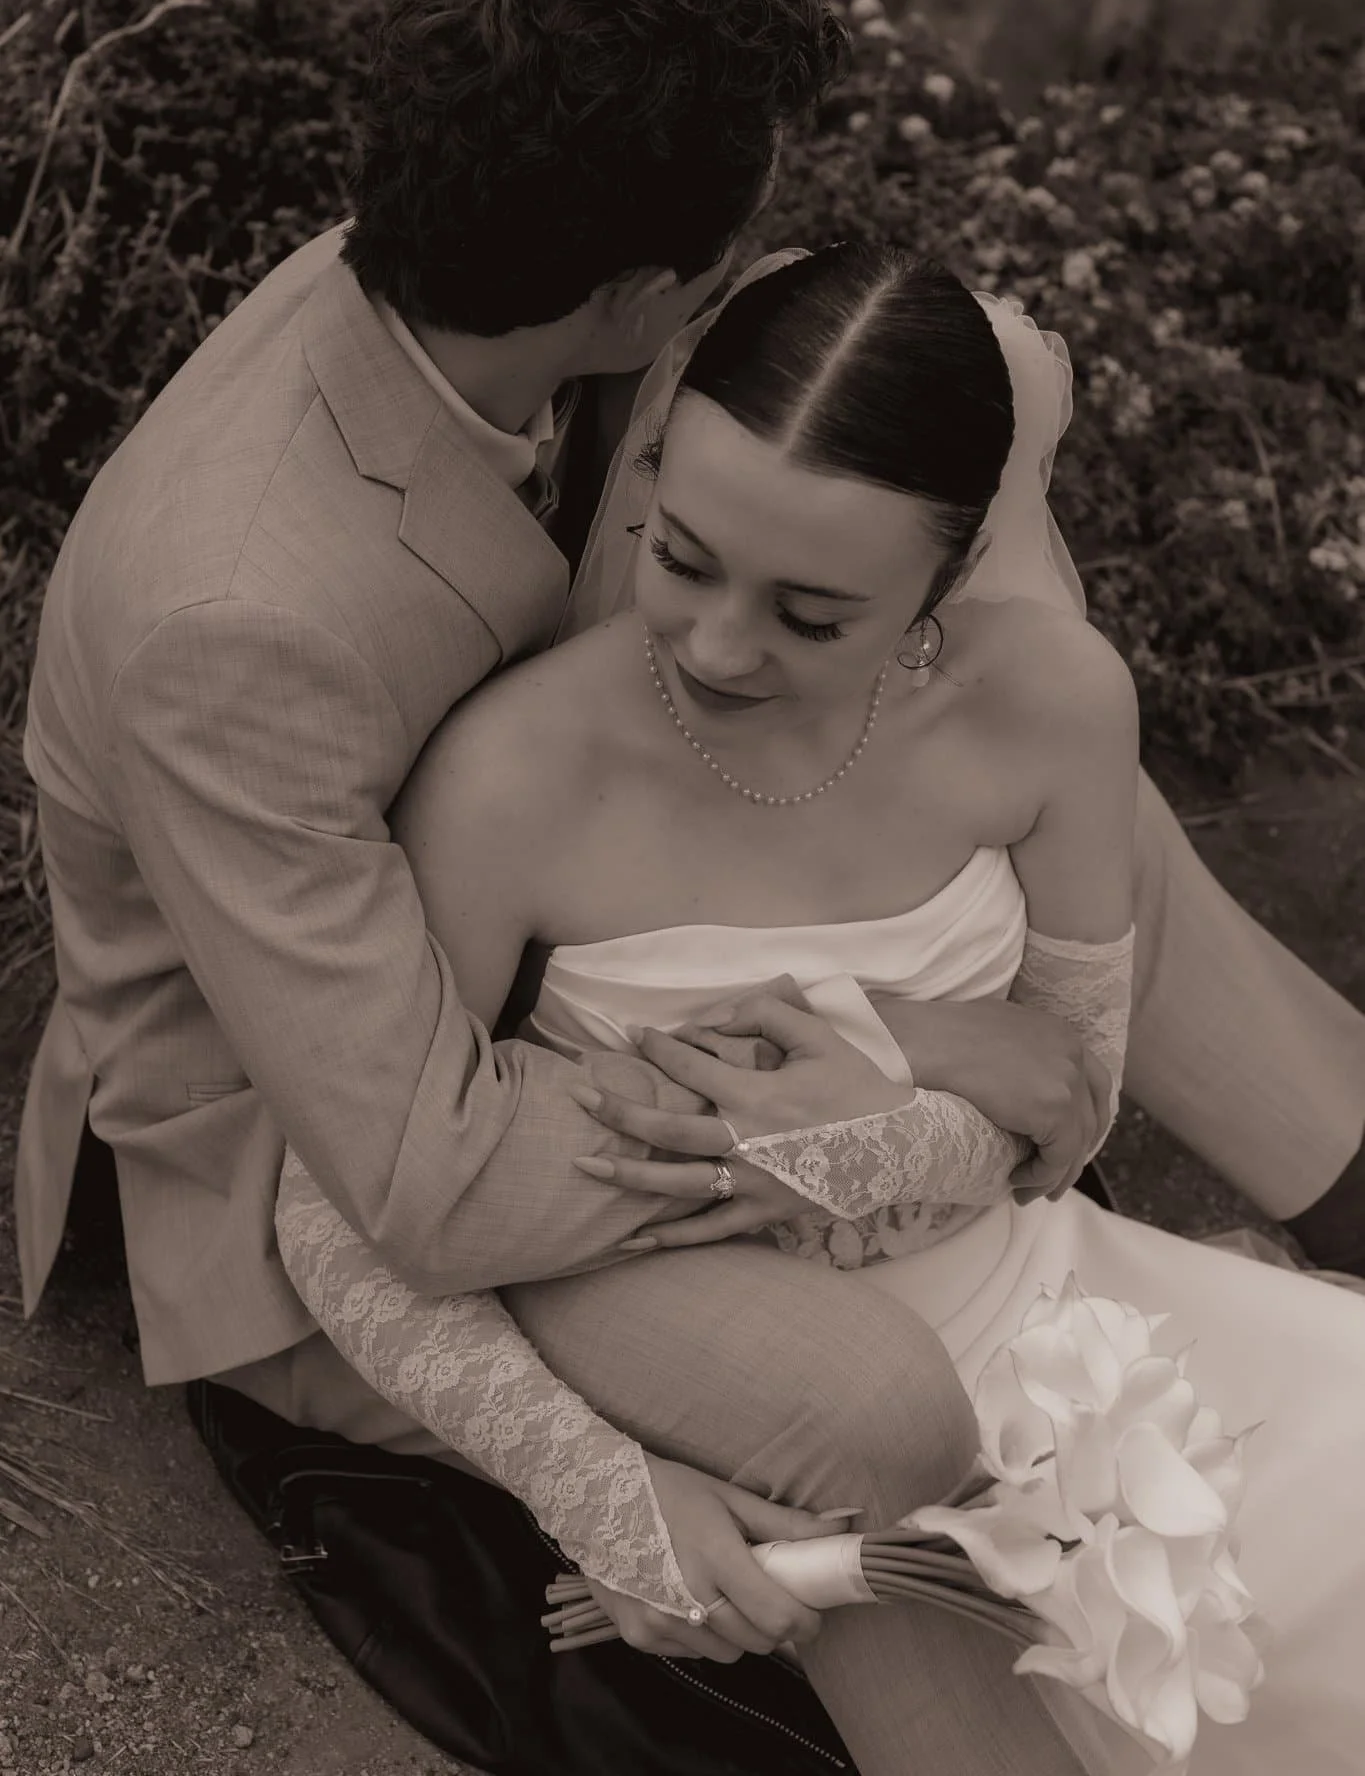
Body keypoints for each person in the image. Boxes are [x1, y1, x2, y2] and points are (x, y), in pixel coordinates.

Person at [12, 0, 1360, 1767]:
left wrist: (1013, 1045)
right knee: (891, 1411)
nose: (750, 266)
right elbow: (416, 1179)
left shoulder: (499, 271)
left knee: (1002, 700)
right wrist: (903, 1060)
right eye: (725, 250)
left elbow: (866, 451)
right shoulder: (234, 618)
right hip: (339, 1126)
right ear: (635, 294)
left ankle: (1335, 1146)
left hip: (599, 907)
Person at [278, 242, 1365, 1775]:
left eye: (813, 614)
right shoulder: (516, 777)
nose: (722, 647)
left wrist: (878, 1098)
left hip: (1054, 1309)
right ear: (648, 476)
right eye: (682, 556)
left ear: (949, 570)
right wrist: (600, 1489)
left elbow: (1070, 1105)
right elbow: (331, 1211)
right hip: (711, 1340)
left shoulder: (1055, 705)